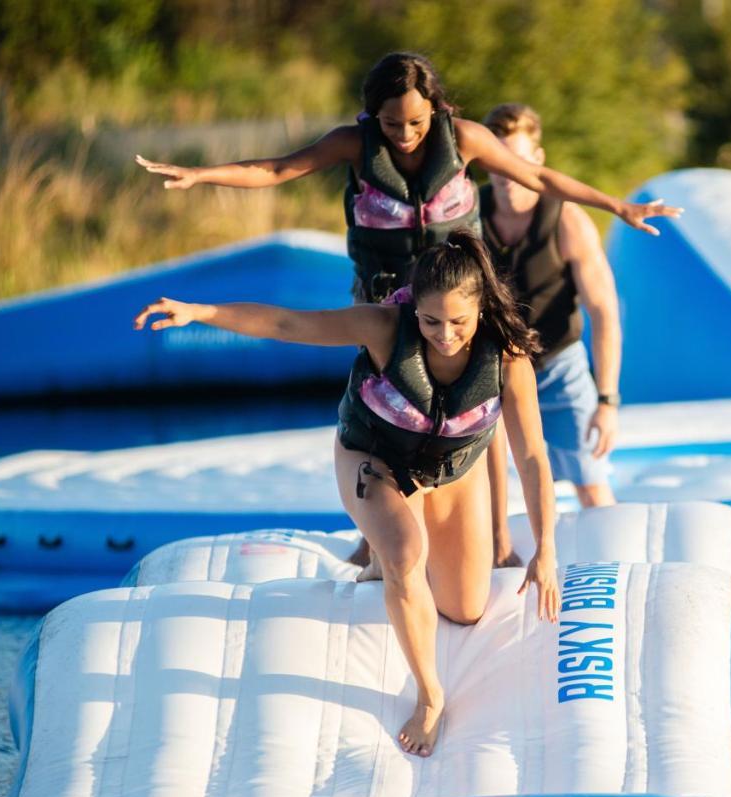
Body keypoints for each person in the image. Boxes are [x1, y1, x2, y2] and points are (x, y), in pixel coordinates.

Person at [133, 232, 558, 758]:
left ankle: (399, 537)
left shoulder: (507, 358)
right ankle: (429, 694)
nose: (444, 335)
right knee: (405, 553)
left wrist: (546, 550)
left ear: (481, 309)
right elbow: (288, 323)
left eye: (458, 323)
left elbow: (532, 457)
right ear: (413, 309)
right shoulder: (382, 327)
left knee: (466, 608)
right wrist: (200, 311)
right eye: (430, 322)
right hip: (374, 459)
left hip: (449, 471)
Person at [135, 51, 680, 304]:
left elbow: (538, 178)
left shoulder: (464, 138)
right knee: (384, 413)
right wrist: (200, 174)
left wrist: (617, 206)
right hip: (383, 293)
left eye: (417, 122)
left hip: (460, 294)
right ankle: (375, 536)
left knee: (475, 409)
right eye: (392, 123)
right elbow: (277, 169)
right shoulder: (353, 144)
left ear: (437, 110)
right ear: (373, 116)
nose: (405, 134)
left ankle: (492, 530)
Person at [478, 104, 621, 567]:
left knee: (590, 481)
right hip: (492, 370)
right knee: (486, 481)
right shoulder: (465, 216)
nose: (507, 174)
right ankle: (497, 563)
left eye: (517, 161)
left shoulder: (566, 220)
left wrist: (606, 400)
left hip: (558, 363)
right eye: (498, 162)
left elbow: (603, 311)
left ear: (537, 158)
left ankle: (613, 570)